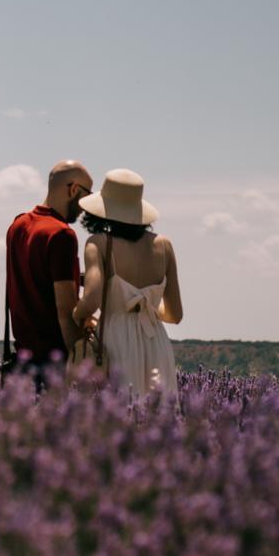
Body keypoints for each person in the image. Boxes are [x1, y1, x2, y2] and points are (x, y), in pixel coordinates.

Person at [73, 169, 182, 400]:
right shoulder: (164, 246)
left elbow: (91, 300)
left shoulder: (98, 243)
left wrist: (75, 313)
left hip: (116, 339)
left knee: (118, 416)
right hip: (155, 341)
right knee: (157, 419)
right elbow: (175, 314)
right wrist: (146, 307)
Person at [5, 160, 93, 387]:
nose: (85, 206)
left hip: (23, 362)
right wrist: (83, 366)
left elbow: (37, 275)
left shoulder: (18, 225)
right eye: (86, 195)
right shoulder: (61, 234)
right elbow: (65, 313)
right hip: (53, 364)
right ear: (73, 190)